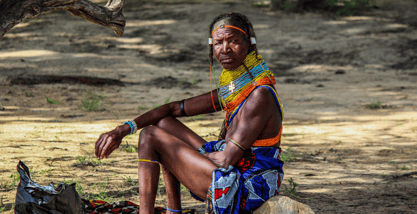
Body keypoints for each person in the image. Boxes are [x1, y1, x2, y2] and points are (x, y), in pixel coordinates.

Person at [95, 12, 284, 214]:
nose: (225, 49)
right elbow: (173, 108)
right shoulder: (236, 88)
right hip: (232, 168)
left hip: (247, 187)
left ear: (249, 44)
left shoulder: (259, 95)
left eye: (234, 41)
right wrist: (123, 129)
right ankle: (173, 210)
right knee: (163, 124)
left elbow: (227, 160)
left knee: (150, 136)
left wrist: (178, 156)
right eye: (219, 43)